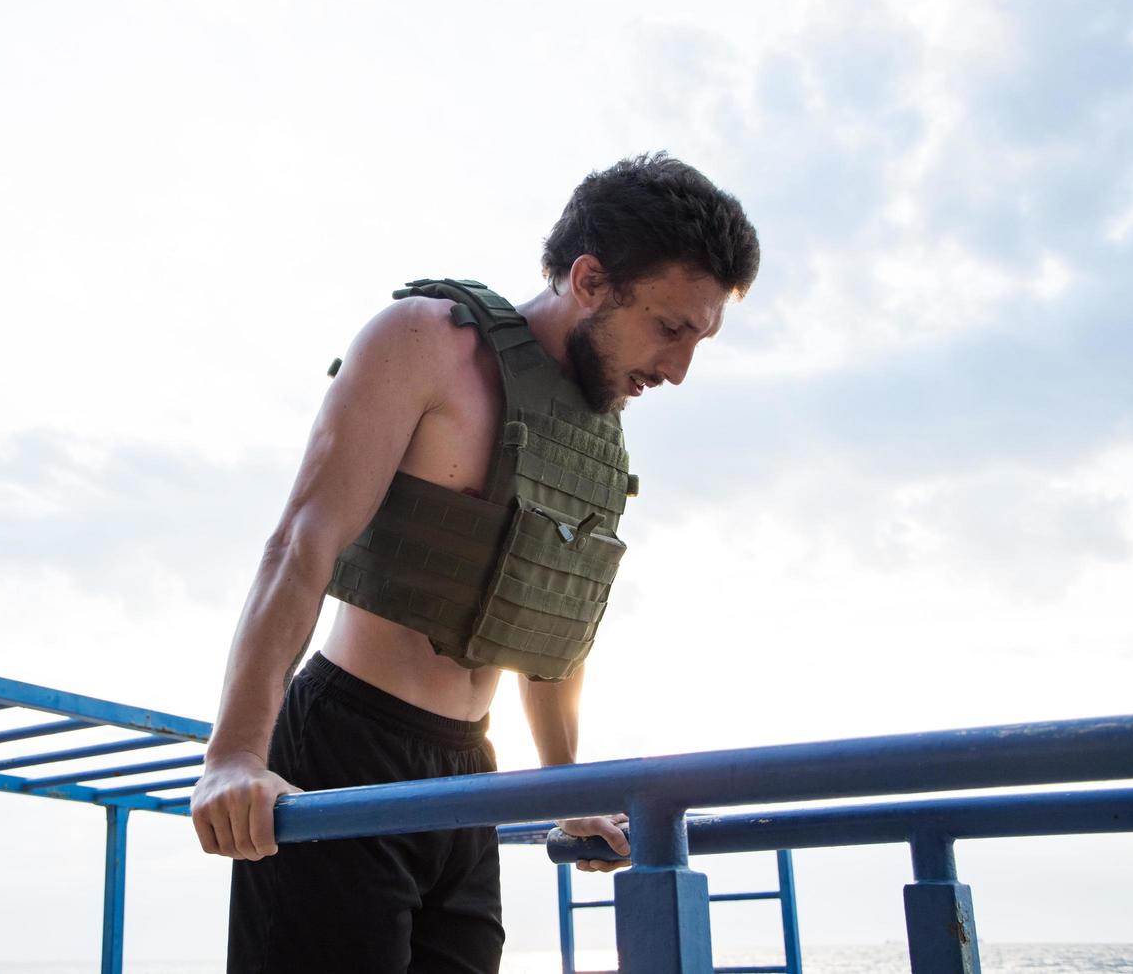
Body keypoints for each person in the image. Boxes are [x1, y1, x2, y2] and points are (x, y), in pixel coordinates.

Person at [191, 152, 760, 973]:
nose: (677, 369)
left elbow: (551, 627)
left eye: (698, 340)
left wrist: (564, 793)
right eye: (670, 328)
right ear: (591, 280)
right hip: (348, 750)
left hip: (470, 776)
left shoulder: (596, 431)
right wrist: (237, 755)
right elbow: (301, 542)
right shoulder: (425, 340)